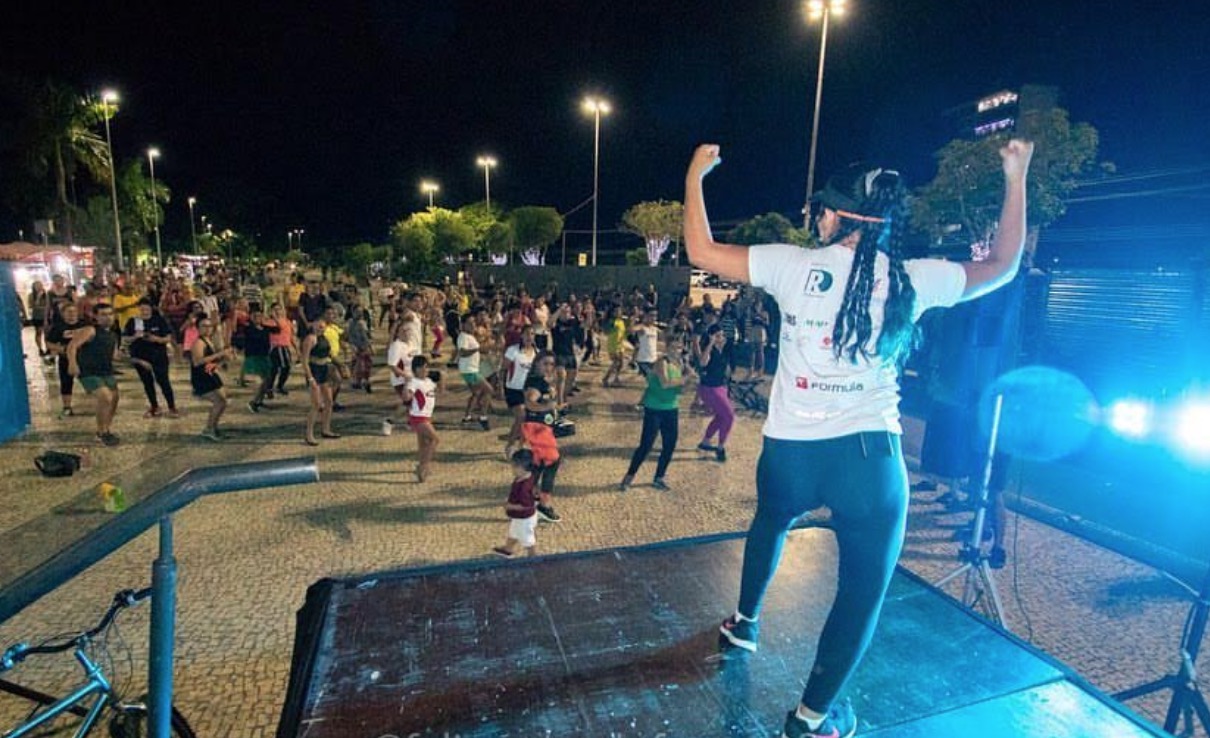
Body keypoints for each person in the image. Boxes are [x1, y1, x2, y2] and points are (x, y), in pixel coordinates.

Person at [683, 139, 1033, 738]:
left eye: (822, 209)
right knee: (860, 594)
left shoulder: (792, 265)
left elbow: (700, 249)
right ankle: (812, 718)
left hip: (789, 454)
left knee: (770, 522)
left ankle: (745, 624)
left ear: (838, 215)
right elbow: (1003, 265)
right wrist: (1016, 176)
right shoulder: (914, 278)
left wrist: (695, 177)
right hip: (870, 464)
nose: (815, 218)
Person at [620, 334, 693, 491]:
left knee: (669, 445)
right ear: (667, 348)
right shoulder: (662, 362)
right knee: (646, 445)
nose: (676, 350)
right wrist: (686, 378)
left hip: (671, 408)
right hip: (654, 408)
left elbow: (680, 390)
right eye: (673, 347)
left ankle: (659, 477)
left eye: (679, 347)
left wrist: (691, 382)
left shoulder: (680, 364)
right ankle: (629, 476)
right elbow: (665, 383)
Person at [66, 303, 121, 446]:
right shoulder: (90, 330)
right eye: (103, 314)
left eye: (110, 314)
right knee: (105, 396)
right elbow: (72, 346)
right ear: (95, 316)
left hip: (106, 370)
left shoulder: (113, 334)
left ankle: (106, 429)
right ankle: (101, 432)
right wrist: (73, 363)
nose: (107, 317)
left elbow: (114, 354)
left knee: (114, 399)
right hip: (88, 371)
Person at [521, 352, 563, 523]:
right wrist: (547, 406)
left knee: (538, 465)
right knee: (552, 462)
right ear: (537, 363)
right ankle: (544, 506)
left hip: (539, 428)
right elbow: (530, 402)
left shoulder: (541, 380)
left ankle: (527, 498)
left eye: (551, 364)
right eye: (545, 363)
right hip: (538, 429)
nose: (549, 367)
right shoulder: (536, 382)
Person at [124, 298, 179, 418]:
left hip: (159, 356)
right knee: (147, 382)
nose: (144, 311)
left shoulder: (159, 320)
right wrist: (135, 336)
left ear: (151, 309)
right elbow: (125, 338)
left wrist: (157, 339)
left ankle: (172, 406)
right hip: (140, 356)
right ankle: (154, 406)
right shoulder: (133, 321)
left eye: (147, 308)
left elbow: (168, 337)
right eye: (142, 309)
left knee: (163, 381)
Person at [190, 315, 232, 441]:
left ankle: (212, 427)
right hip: (202, 377)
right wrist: (220, 354)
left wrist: (223, 359)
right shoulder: (198, 342)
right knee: (220, 402)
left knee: (222, 401)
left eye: (209, 326)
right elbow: (197, 361)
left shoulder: (209, 340)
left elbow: (212, 359)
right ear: (198, 328)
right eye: (204, 326)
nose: (207, 329)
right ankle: (209, 429)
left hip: (210, 374)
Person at [696, 325, 735, 462]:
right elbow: (702, 362)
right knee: (729, 416)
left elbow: (727, 370)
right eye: (718, 336)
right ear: (712, 337)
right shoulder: (710, 350)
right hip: (709, 388)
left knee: (721, 416)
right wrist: (710, 343)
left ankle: (706, 442)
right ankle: (720, 447)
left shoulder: (723, 350)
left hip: (720, 387)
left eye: (722, 335)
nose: (722, 338)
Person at [493, 449, 539, 558]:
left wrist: (509, 506)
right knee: (514, 532)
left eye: (514, 467)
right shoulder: (527, 477)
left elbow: (525, 506)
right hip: (521, 517)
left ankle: (532, 556)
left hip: (524, 519)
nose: (512, 469)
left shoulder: (524, 487)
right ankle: (508, 549)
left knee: (527, 539)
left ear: (522, 468)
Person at [301, 316, 340, 446]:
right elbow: (304, 361)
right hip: (314, 370)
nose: (321, 328)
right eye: (318, 325)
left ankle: (326, 429)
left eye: (323, 326)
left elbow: (329, 354)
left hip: (324, 369)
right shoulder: (310, 339)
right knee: (316, 404)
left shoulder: (324, 338)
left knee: (329, 401)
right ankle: (309, 434)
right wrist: (310, 378)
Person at [502, 326, 538, 457]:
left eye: (532, 334)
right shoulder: (513, 351)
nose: (530, 337)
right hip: (513, 389)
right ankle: (510, 446)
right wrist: (500, 387)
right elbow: (503, 369)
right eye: (527, 334)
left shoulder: (536, 352)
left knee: (527, 420)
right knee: (521, 416)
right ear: (522, 336)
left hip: (529, 391)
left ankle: (521, 447)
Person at [46, 302, 85, 417]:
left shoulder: (84, 324)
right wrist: (60, 348)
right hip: (65, 358)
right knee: (66, 382)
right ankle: (67, 406)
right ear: (63, 314)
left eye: (74, 312)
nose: (72, 315)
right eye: (69, 312)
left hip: (83, 358)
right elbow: (49, 343)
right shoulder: (57, 327)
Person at [405, 354, 441, 482]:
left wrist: (441, 378)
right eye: (424, 367)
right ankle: (423, 466)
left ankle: (422, 468)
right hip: (418, 417)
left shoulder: (429, 382)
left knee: (423, 444)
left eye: (427, 367)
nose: (427, 370)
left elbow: (441, 391)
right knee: (434, 440)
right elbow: (407, 397)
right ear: (417, 369)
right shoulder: (414, 382)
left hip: (427, 416)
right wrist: (406, 386)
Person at [456, 314, 492, 430]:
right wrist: (478, 349)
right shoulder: (463, 337)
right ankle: (483, 418)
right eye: (470, 323)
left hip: (471, 369)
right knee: (489, 389)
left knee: (476, 393)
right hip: (469, 371)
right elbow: (462, 352)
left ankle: (467, 417)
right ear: (463, 325)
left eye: (474, 322)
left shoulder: (470, 336)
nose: (473, 325)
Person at [242, 304, 279, 412]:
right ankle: (253, 402)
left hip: (264, 356)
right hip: (253, 357)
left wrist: (274, 318)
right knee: (260, 382)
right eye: (255, 316)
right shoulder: (248, 328)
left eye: (259, 316)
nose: (258, 318)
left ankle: (259, 401)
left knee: (267, 380)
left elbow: (278, 329)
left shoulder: (265, 327)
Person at [265, 302, 296, 396]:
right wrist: (274, 317)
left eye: (279, 309)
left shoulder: (287, 321)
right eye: (275, 309)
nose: (278, 311)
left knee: (285, 368)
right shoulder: (269, 322)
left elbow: (290, 336)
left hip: (285, 347)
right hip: (276, 347)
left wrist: (296, 348)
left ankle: (278, 386)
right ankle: (270, 388)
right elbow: (278, 328)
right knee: (275, 369)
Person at [601, 306, 628, 387]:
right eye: (616, 311)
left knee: (621, 363)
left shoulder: (621, 321)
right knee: (616, 362)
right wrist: (610, 326)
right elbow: (606, 331)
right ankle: (606, 378)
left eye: (619, 311)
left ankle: (616, 378)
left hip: (620, 345)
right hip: (613, 345)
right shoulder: (611, 321)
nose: (618, 313)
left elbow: (624, 332)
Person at [27, 280, 49, 356]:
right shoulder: (31, 295)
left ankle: (48, 348)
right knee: (39, 332)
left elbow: (48, 305)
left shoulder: (46, 295)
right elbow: (32, 306)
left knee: (47, 333)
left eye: (40, 285)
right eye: (37, 286)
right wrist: (38, 298)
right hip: (37, 316)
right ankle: (40, 348)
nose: (39, 287)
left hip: (46, 316)